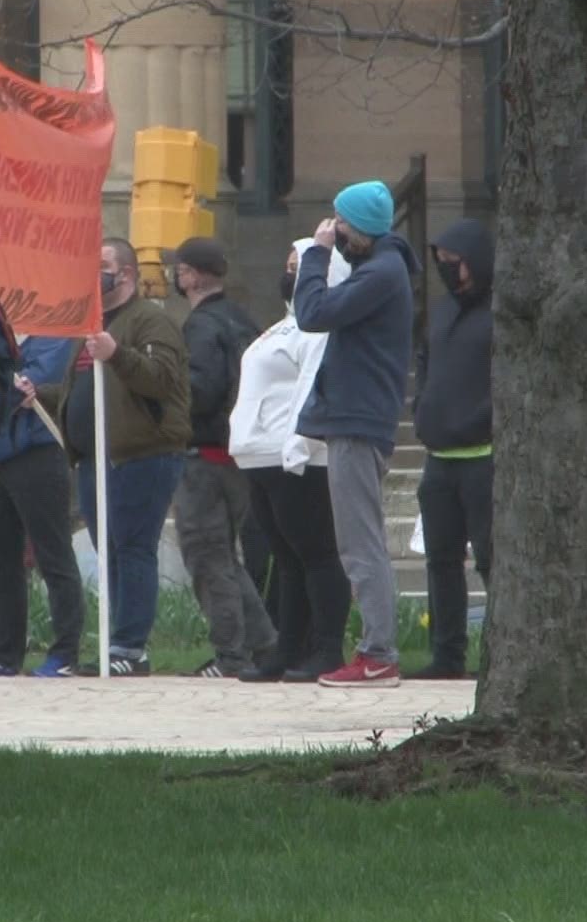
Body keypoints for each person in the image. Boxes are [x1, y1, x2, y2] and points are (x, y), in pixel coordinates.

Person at [294, 181, 416, 688]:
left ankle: (378, 653)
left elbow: (312, 314)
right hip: (354, 416)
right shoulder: (381, 269)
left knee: (359, 542)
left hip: (358, 421)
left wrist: (316, 257)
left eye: (341, 223)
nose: (334, 230)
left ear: (361, 227)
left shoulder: (382, 273)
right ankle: (375, 648)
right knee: (356, 540)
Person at [62, 238, 191, 676]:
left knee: (132, 547)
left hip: (141, 453)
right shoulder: (93, 324)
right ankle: (116, 641)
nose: (93, 274)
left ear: (128, 275)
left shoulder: (150, 322)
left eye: (102, 265)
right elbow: (82, 388)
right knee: (109, 550)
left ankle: (129, 647)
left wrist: (117, 354)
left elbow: (161, 379)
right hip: (95, 458)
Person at [230, 241, 352, 683]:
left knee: (316, 554)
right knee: (286, 559)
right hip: (260, 456)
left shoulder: (318, 328)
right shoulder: (282, 326)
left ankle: (327, 649)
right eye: (287, 265)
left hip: (296, 458)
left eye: (299, 265)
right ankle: (288, 649)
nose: (289, 271)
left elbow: (309, 386)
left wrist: (298, 444)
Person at [170, 236, 275, 679]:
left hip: (206, 456)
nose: (176, 276)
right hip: (240, 455)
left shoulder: (200, 326)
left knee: (206, 555)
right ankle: (263, 644)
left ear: (193, 275)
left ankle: (231, 654)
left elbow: (200, 390)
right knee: (225, 558)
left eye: (180, 269)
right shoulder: (242, 319)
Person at [410, 218, 495, 680]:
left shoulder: (499, 314)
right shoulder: (442, 313)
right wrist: (422, 407)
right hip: (439, 460)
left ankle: (502, 653)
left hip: (484, 457)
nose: (448, 273)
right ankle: (447, 655)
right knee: (441, 560)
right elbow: (425, 361)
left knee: (491, 559)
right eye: (441, 265)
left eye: (455, 264)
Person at [0, 334, 86, 678]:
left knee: (52, 555)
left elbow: (31, 385)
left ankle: (66, 651)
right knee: (1, 560)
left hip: (38, 455)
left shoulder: (51, 335)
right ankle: (4, 652)